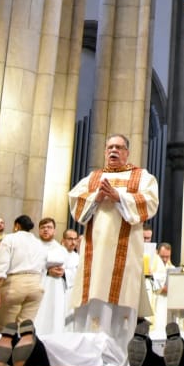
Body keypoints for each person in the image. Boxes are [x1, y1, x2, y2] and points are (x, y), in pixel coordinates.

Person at [68, 134, 160, 342]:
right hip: (95, 256)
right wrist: (97, 197)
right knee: (93, 302)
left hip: (125, 255)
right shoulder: (93, 178)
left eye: (119, 147)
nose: (114, 151)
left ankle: (119, 356)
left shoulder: (142, 177)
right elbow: (75, 202)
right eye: (110, 147)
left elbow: (151, 202)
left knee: (121, 305)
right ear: (104, 152)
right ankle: (89, 354)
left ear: (127, 152)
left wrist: (119, 197)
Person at [0, 215, 46, 366]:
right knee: (24, 332)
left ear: (16, 225)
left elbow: (1, 265)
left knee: (5, 332)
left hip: (14, 284)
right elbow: (43, 267)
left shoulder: (10, 239)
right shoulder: (39, 243)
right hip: (36, 285)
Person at [35, 217, 71, 335]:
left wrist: (64, 273)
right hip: (39, 285)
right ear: (39, 230)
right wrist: (47, 271)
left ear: (54, 231)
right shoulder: (33, 246)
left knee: (55, 314)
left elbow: (70, 268)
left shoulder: (61, 249)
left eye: (49, 227)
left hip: (56, 289)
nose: (46, 230)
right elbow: (29, 266)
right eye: (43, 227)